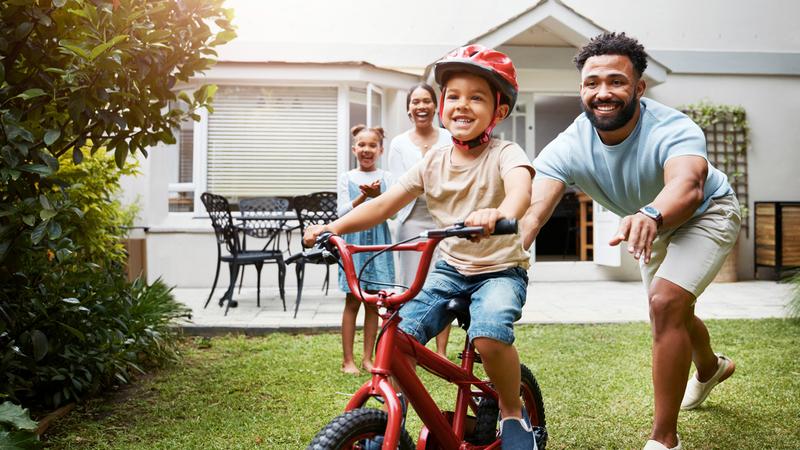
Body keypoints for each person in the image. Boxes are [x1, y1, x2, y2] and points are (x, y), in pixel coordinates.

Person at [306, 45, 538, 449]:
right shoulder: (432, 160)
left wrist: (497, 212)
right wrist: (334, 226)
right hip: (450, 269)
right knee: (398, 336)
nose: (461, 104)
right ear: (443, 104)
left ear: (499, 112)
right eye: (453, 95)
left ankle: (514, 415)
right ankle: (391, 422)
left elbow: (520, 190)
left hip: (499, 269)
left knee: (488, 333)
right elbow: (384, 204)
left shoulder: (505, 152)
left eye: (476, 97)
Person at [521, 32, 740, 450]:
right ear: (581, 88)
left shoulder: (673, 126)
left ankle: (663, 440)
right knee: (671, 309)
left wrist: (651, 214)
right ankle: (710, 368)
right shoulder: (569, 144)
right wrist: (515, 245)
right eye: (592, 83)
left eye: (616, 82)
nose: (603, 93)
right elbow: (535, 208)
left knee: (665, 304)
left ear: (638, 87)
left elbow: (688, 185)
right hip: (649, 223)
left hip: (706, 213)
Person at [388, 83, 453, 358]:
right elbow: (396, 185)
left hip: (444, 221)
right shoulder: (399, 143)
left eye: (426, 101)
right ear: (408, 108)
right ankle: (409, 344)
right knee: (410, 285)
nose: (421, 106)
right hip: (411, 220)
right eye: (415, 102)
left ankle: (440, 351)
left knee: (444, 282)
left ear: (435, 106)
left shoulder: (449, 138)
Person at [336, 124, 396, 375]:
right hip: (355, 245)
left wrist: (380, 195)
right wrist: (363, 197)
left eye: (372, 145)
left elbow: (393, 213)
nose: (366, 149)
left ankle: (367, 358)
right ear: (354, 149)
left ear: (380, 149)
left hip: (378, 245)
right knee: (353, 301)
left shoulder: (387, 178)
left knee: (374, 303)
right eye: (362, 144)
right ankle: (347, 360)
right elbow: (340, 214)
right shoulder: (347, 178)